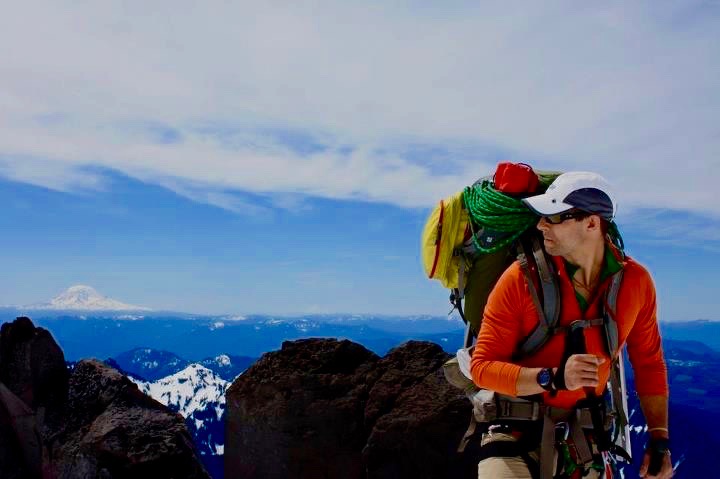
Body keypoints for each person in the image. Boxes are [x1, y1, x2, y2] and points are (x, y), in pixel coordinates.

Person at [469, 171, 672, 479]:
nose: (541, 225)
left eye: (553, 217)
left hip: (583, 435)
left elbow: (649, 364)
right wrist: (552, 377)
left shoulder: (636, 282)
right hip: (514, 430)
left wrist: (659, 441)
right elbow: (482, 368)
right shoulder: (520, 279)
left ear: (591, 223)